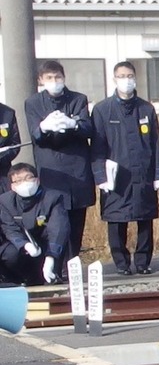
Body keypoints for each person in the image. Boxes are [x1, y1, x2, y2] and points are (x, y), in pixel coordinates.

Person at [91, 61, 159, 276]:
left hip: (143, 173)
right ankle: (121, 263)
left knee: (145, 220)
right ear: (114, 79)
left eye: (130, 75)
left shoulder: (146, 108)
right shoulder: (102, 110)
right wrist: (100, 176)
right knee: (116, 220)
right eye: (122, 76)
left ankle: (143, 262)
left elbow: (156, 143)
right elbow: (96, 147)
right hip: (116, 177)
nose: (127, 80)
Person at [23, 60, 96, 270]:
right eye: (49, 78)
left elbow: (87, 128)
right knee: (54, 218)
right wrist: (44, 127)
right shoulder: (33, 102)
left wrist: (72, 123)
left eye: (58, 78)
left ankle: (73, 264)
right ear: (41, 80)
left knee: (76, 218)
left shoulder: (78, 99)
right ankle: (56, 264)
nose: (54, 82)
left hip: (77, 167)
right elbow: (35, 135)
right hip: (51, 168)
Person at [0, 163, 69, 286]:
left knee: (50, 277)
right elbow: (9, 228)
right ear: (13, 187)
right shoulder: (5, 201)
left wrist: (50, 257)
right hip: (21, 247)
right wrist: (25, 245)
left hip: (46, 246)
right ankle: (16, 280)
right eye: (18, 181)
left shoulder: (53, 198)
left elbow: (58, 229)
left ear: (37, 180)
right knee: (10, 254)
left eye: (28, 178)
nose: (25, 183)